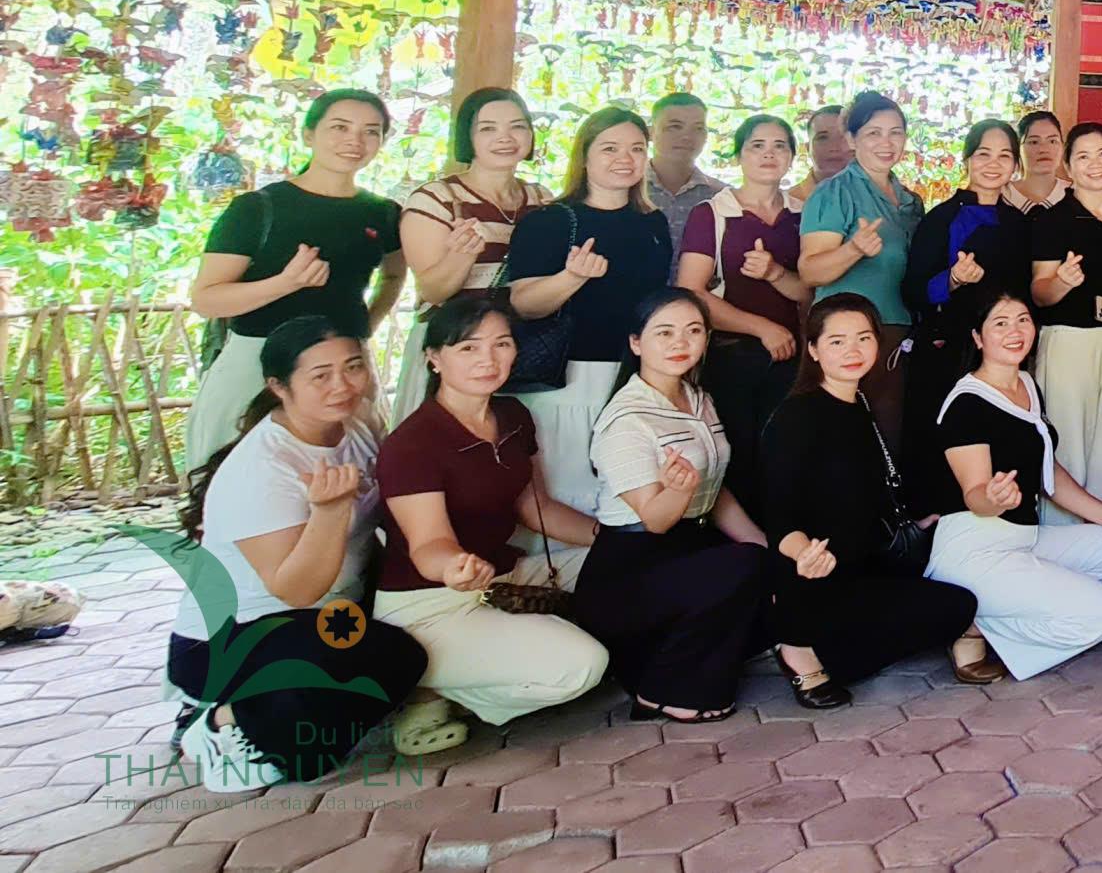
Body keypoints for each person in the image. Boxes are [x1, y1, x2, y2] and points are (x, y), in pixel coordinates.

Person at [170, 318, 427, 790]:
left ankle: (273, 723)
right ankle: (218, 721)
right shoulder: (264, 468)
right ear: (278, 386)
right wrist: (329, 511)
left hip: (318, 622)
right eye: (320, 376)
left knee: (399, 661)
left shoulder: (358, 425)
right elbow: (295, 590)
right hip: (228, 639)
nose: (342, 386)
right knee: (364, 657)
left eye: (353, 367)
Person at [376, 296, 609, 746]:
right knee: (583, 666)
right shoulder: (411, 445)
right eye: (468, 347)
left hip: (505, 577)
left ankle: (475, 673)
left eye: (501, 344)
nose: (488, 359)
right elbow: (428, 545)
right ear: (434, 358)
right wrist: (454, 567)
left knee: (626, 564)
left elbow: (535, 508)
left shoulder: (513, 416)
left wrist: (616, 538)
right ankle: (429, 690)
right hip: (432, 604)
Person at [761, 295, 980, 702]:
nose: (853, 351)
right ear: (813, 349)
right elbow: (777, 512)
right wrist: (803, 553)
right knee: (851, 655)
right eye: (837, 341)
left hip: (862, 569)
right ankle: (794, 645)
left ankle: (839, 647)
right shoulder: (796, 417)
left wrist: (915, 524)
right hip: (811, 573)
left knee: (958, 605)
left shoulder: (860, 402)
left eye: (863, 338)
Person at [572, 289, 770, 723]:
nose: (680, 343)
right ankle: (661, 690)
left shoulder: (698, 398)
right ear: (636, 343)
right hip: (632, 566)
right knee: (745, 567)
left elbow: (714, 491)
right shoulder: (627, 420)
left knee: (766, 566)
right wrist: (679, 492)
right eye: (664, 333)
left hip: (688, 545)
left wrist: (762, 547)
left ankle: (681, 664)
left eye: (693, 331)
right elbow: (656, 521)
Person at [186, 89, 407, 472]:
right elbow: (206, 299)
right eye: (340, 127)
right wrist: (285, 283)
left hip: (342, 369)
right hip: (256, 364)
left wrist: (365, 328)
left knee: (347, 481)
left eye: (371, 131)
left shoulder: (383, 213)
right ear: (308, 134)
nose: (355, 141)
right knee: (240, 478)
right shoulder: (256, 209)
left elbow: (394, 274)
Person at [928, 290, 1102, 682]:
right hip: (975, 550)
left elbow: (1047, 471)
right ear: (977, 337)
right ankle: (973, 625)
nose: (1015, 331)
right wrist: (993, 497)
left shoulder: (1026, 384)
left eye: (1023, 320)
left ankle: (997, 617)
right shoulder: (966, 403)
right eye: (1000, 323)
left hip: (1024, 539)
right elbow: (975, 494)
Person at [507, 107, 675, 515]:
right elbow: (523, 304)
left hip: (636, 378)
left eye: (637, 148)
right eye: (610, 148)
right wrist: (572, 278)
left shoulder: (653, 223)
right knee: (566, 493)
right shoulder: (548, 221)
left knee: (628, 495)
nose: (625, 158)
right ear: (584, 155)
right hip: (567, 381)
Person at [677, 114, 811, 524]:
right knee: (735, 455)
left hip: (792, 359)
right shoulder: (712, 213)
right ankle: (737, 545)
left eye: (779, 146)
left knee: (784, 454)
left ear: (792, 157)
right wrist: (761, 328)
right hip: (731, 357)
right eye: (757, 145)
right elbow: (691, 291)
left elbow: (809, 290)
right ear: (738, 155)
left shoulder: (803, 214)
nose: (769, 154)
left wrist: (774, 273)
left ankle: (783, 540)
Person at [390, 87, 549, 424]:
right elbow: (432, 291)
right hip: (455, 349)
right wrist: (461, 256)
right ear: (467, 136)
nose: (505, 138)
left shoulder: (542, 199)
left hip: (519, 350)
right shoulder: (436, 198)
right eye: (488, 128)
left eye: (517, 126)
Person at [905, 120, 1036, 509]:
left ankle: (1003, 507)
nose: (993, 164)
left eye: (1004, 156)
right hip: (949, 352)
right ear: (967, 160)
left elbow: (1028, 293)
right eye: (983, 154)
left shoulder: (1021, 223)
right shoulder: (941, 219)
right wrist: (953, 279)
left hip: (1006, 353)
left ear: (1016, 165)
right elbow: (912, 291)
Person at [1029, 121, 1102, 505]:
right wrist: (1062, 282)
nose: (1094, 164)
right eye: (1083, 156)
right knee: (1067, 442)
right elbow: (1040, 293)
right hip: (1069, 341)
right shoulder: (1052, 220)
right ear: (1067, 166)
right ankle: (1061, 530)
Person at [799, 90, 925, 454]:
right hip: (848, 337)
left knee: (891, 439)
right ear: (852, 140)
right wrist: (853, 249)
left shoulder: (911, 202)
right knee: (842, 440)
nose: (886, 143)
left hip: (898, 337)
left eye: (895, 133)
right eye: (873, 133)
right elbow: (810, 270)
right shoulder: (834, 193)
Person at [646, 92, 726, 258]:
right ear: (651, 132)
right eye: (675, 127)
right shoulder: (625, 188)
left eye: (698, 129)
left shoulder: (721, 197)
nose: (687, 137)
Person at [787, 103, 852, 204]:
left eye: (843, 137)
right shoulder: (788, 203)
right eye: (822, 138)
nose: (834, 147)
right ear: (808, 148)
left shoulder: (874, 197)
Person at [1007, 110, 1070, 212]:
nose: (1044, 149)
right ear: (1018, 148)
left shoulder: (1076, 194)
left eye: (1052, 141)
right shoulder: (1001, 195)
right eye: (1034, 142)